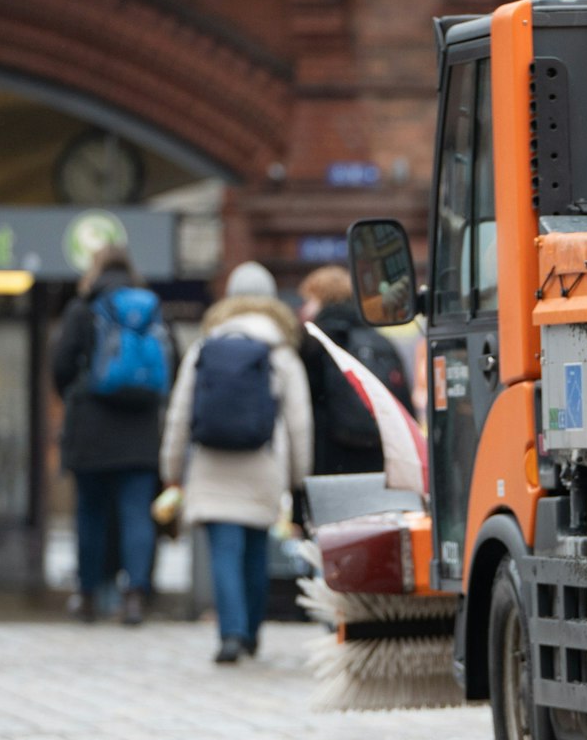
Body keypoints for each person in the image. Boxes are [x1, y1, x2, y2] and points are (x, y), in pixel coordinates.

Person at [161, 262, 311, 664]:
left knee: (224, 552)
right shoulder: (281, 351)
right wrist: (299, 480)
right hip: (263, 462)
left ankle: (230, 632)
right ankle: (251, 634)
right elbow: (299, 423)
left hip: (211, 461)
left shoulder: (205, 346)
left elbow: (179, 414)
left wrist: (172, 469)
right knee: (255, 550)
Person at [51, 244, 175, 625]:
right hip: (139, 432)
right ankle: (135, 594)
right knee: (137, 513)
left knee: (90, 513)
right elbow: (175, 362)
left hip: (92, 428)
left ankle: (87, 594)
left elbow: (60, 365)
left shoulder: (83, 308)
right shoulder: (152, 308)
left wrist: (79, 392)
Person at [296, 264, 411, 476]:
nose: (304, 308)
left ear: (322, 300)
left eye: (308, 300)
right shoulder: (381, 342)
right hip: (380, 461)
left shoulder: (314, 343)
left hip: (328, 461)